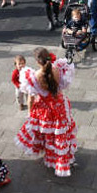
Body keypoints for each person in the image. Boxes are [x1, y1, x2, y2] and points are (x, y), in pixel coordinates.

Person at [16, 47, 77, 177]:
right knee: (61, 133)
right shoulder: (58, 68)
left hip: (44, 110)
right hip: (60, 106)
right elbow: (62, 85)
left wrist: (30, 113)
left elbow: (31, 98)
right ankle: (62, 157)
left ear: (38, 61)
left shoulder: (34, 76)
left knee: (49, 136)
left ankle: (51, 156)